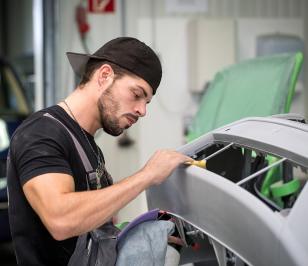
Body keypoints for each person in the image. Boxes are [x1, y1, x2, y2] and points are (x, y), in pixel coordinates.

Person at [7, 37, 191, 265]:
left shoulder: (89, 146)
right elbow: (60, 220)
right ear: (104, 76)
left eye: (147, 102)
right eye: (137, 94)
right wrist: (147, 175)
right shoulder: (41, 133)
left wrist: (141, 235)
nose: (142, 110)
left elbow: (93, 231)